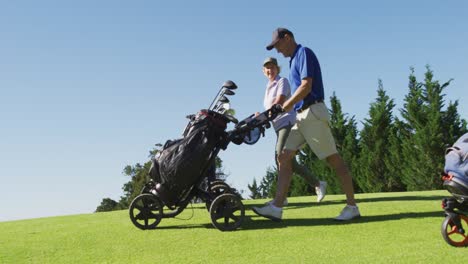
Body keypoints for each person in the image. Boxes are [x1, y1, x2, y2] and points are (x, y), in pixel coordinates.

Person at [252, 28, 361, 221]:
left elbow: (306, 86)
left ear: (288, 38)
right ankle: (277, 207)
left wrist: (286, 105)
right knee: (284, 157)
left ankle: (352, 207)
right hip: (300, 117)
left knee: (333, 160)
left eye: (278, 45)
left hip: (313, 112)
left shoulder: (304, 53)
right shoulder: (293, 60)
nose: (277, 50)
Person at [260, 56, 327, 206]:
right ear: (264, 71)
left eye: (272, 67)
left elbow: (279, 101)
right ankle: (317, 183)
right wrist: (260, 116)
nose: (270, 70)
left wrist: (265, 116)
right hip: (278, 126)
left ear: (277, 68)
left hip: (288, 122)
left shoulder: (282, 81)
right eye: (267, 68)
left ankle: (282, 198)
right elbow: (269, 108)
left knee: (280, 156)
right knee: (287, 160)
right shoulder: (267, 87)